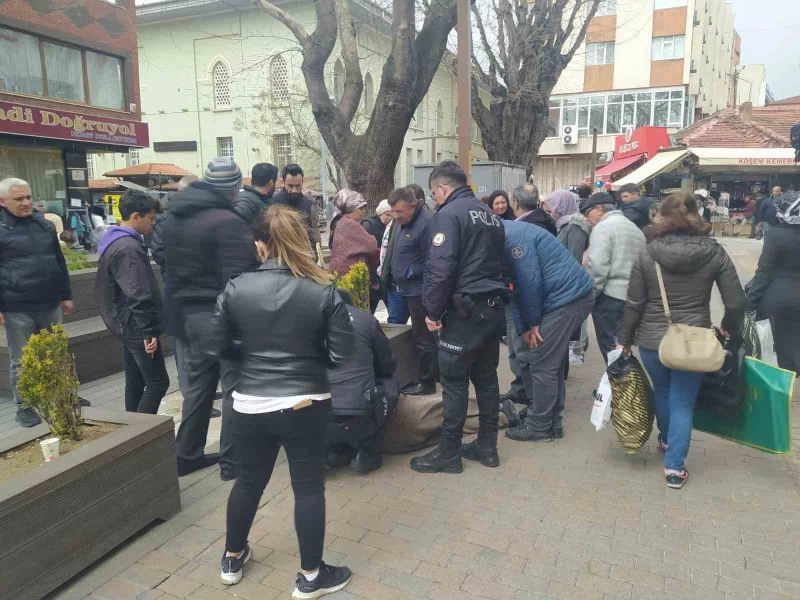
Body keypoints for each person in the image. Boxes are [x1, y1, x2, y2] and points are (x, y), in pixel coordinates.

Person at [208, 205, 354, 595]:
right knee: (308, 487)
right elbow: (343, 354)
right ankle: (311, 577)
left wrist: (249, 355)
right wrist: (309, 360)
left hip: (250, 401)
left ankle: (232, 557)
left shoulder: (236, 288)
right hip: (306, 401)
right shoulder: (323, 290)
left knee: (248, 481)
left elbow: (216, 345)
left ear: (259, 244)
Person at [618, 192, 745, 489]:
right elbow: (736, 301)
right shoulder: (714, 252)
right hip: (693, 341)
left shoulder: (648, 252)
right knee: (683, 402)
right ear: (696, 216)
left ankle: (666, 439)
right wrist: (728, 327)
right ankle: (674, 468)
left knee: (663, 392)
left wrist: (624, 339)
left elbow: (634, 303)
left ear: (661, 216)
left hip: (652, 339)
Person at [161, 158, 256, 478]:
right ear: (234, 188)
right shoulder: (228, 222)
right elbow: (237, 280)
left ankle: (186, 454)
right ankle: (232, 462)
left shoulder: (175, 216)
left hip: (186, 318)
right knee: (235, 389)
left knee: (199, 391)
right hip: (219, 317)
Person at [410, 161, 507, 473]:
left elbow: (440, 269)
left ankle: (449, 452)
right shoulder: (490, 214)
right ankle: (487, 447)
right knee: (487, 379)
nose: (434, 198)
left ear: (442, 188)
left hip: (464, 313)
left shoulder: (448, 215)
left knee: (454, 382)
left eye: (433, 193)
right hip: (492, 309)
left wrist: (432, 311)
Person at [502, 216, 594, 442]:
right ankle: (550, 419)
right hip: (563, 298)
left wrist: (532, 323)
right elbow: (512, 291)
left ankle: (539, 424)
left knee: (542, 361)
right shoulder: (504, 234)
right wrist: (524, 326)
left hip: (567, 299)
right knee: (550, 363)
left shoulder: (513, 239)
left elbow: (529, 282)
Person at [0, 177, 74, 427]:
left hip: (50, 301)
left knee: (56, 352)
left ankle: (63, 396)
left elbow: (58, 261)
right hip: (16, 305)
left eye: (28, 197)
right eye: (19, 199)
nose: (26, 202)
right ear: (2, 201)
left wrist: (65, 295)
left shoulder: (44, 225)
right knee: (22, 358)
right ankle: (25, 405)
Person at [96, 190, 169, 414]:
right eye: (151, 218)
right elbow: (137, 292)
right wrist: (148, 331)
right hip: (135, 325)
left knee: (136, 381)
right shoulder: (128, 247)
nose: (154, 223)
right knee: (158, 383)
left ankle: (132, 428)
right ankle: (143, 430)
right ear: (135, 216)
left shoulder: (115, 240)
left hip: (125, 322)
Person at [326, 289, 398, 473]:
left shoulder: (308, 323)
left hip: (317, 412)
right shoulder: (366, 320)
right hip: (359, 414)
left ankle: (332, 451)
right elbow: (387, 365)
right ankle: (366, 453)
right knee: (390, 383)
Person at [582, 192, 646, 363]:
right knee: (623, 347)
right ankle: (622, 379)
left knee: (611, 350)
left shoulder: (603, 228)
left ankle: (619, 380)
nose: (587, 218)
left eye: (587, 213)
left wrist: (591, 294)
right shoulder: (634, 228)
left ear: (599, 209)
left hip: (610, 298)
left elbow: (598, 267)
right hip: (632, 297)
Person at [388, 186, 437, 396]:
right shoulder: (403, 222)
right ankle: (426, 375)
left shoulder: (425, 224)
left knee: (423, 337)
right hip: (404, 289)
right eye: (393, 211)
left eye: (399, 211)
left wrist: (410, 271)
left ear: (413, 205)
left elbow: (435, 261)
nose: (395, 216)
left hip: (419, 291)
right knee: (415, 336)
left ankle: (427, 382)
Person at [746, 191, 800, 374]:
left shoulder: (775, 235)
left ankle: (787, 385)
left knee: (780, 353)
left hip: (777, 299)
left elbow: (763, 273)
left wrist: (750, 305)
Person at [269, 163, 321, 256]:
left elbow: (314, 233)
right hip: (280, 256)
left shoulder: (309, 204)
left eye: (298, 186)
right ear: (283, 182)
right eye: (290, 186)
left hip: (304, 256)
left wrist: (316, 255)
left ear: (302, 182)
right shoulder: (273, 203)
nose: (294, 190)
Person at [328, 189, 379, 277]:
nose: (363, 211)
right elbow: (372, 245)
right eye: (360, 208)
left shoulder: (340, 221)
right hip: (349, 273)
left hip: (339, 270)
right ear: (350, 208)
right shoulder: (349, 224)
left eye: (364, 208)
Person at [377, 210, 410, 326]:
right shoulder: (394, 224)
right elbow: (384, 251)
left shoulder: (426, 220)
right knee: (395, 323)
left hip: (416, 285)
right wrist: (383, 273)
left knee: (421, 325)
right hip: (395, 284)